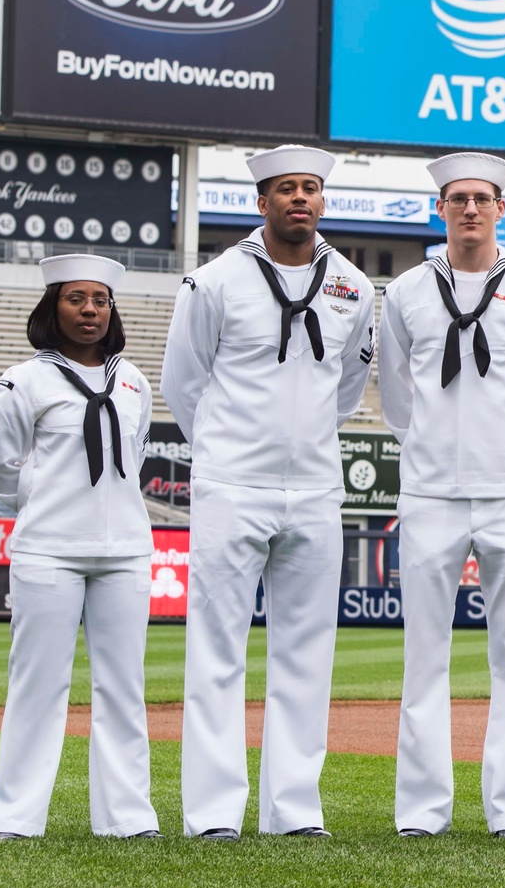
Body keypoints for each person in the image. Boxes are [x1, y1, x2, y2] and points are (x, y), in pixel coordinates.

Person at [161, 145, 376, 840]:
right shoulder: (213, 281)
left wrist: (300, 444)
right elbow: (183, 383)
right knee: (217, 649)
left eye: (311, 188)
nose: (300, 199)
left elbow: (345, 387)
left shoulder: (353, 286)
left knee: (307, 653)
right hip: (232, 486)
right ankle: (213, 813)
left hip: (314, 487)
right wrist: (226, 453)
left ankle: (294, 811)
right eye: (286, 188)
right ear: (261, 201)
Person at [377, 152, 505, 840]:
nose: (469, 209)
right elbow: (396, 392)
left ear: (501, 209)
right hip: (430, 491)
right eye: (456, 198)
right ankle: (422, 811)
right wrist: (424, 448)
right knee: (423, 651)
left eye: (481, 198)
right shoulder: (405, 293)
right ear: (440, 209)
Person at [0, 253, 159, 841]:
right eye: (76, 299)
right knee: (38, 684)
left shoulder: (134, 380)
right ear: (52, 306)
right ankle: (16, 818)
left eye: (101, 300)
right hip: (48, 550)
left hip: (127, 550)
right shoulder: (22, 380)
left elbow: (131, 455)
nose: (90, 311)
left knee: (124, 687)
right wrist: (43, 502)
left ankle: (127, 818)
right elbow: (2, 467)